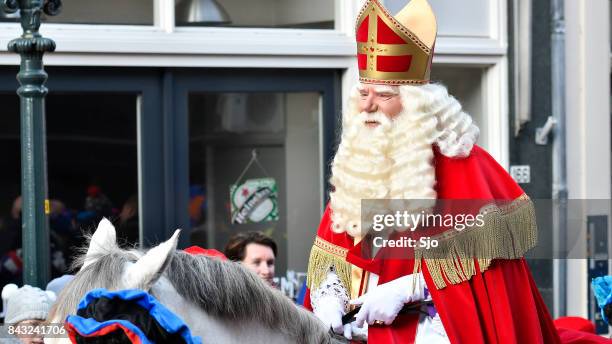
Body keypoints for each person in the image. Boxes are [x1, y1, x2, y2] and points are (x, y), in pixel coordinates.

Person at [303, 0, 561, 343]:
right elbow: (334, 257)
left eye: (383, 94)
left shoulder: (465, 165)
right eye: (363, 92)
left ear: (416, 104)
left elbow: (491, 275)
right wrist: (329, 297)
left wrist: (408, 289)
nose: (367, 106)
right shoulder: (357, 166)